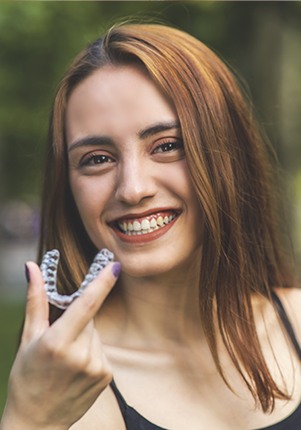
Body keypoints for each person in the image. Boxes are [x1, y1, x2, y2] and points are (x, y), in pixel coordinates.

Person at [1, 22, 301, 430]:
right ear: (67, 189)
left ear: (229, 155)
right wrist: (29, 418)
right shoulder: (74, 391)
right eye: (97, 158)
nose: (133, 189)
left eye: (166, 146)